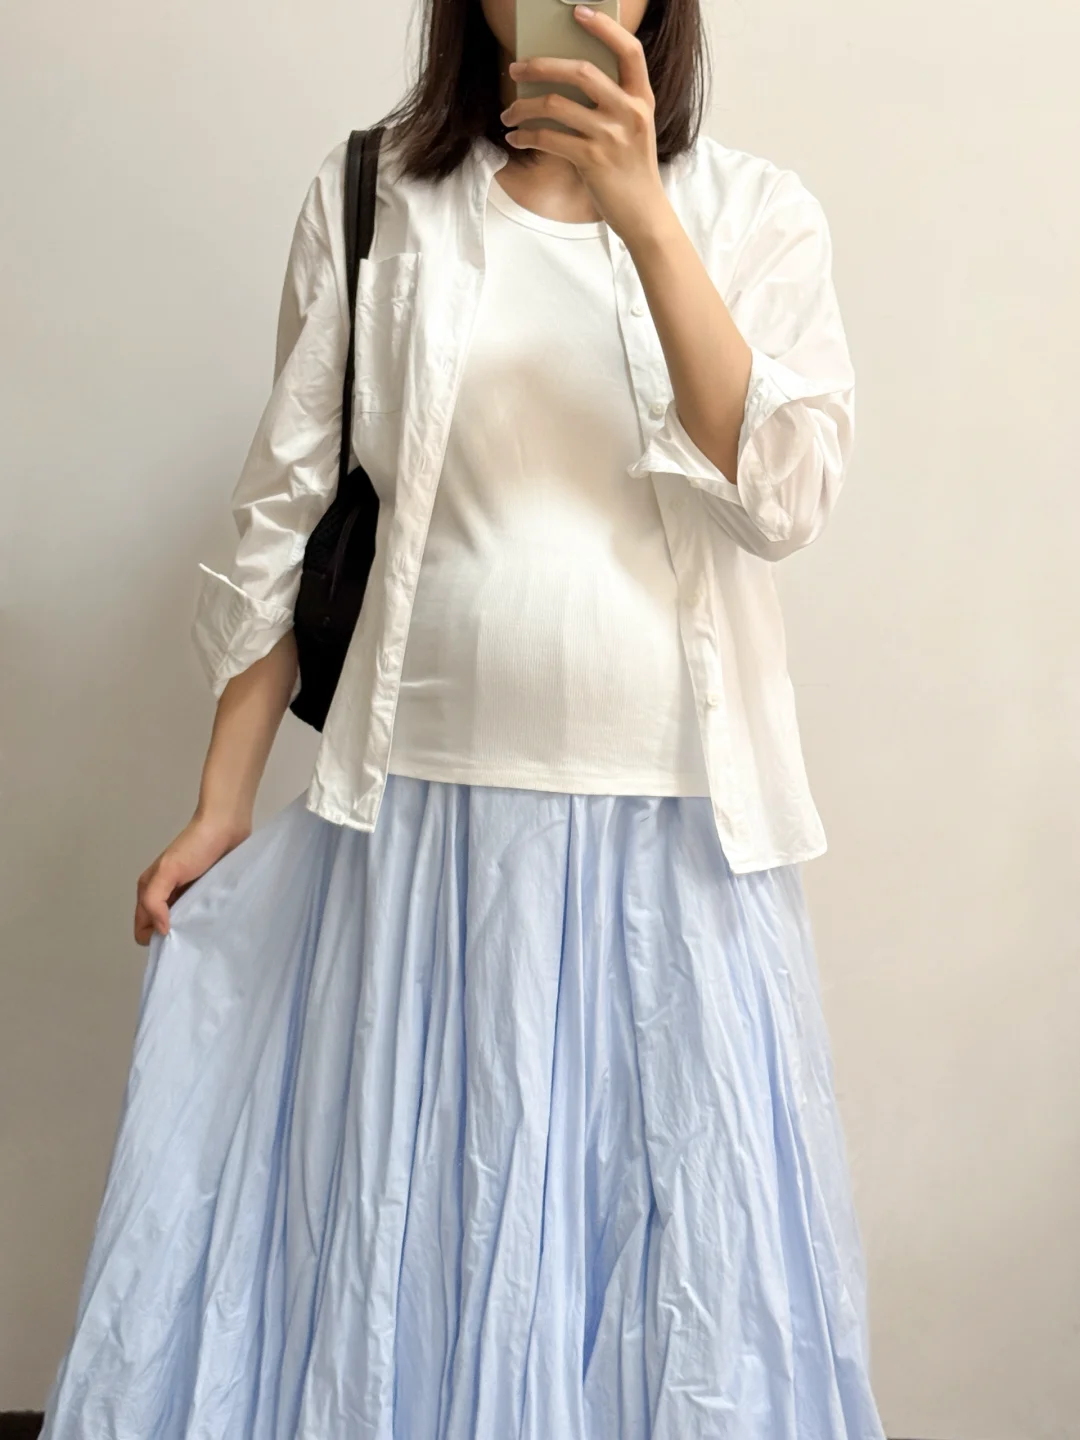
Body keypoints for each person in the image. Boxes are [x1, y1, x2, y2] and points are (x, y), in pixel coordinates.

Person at [39, 1, 887, 1436]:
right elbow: (287, 511)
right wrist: (223, 801)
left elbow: (785, 497)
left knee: (675, 1263)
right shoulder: (374, 196)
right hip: (420, 837)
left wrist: (644, 216)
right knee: (417, 1242)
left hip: (674, 848)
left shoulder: (757, 212)